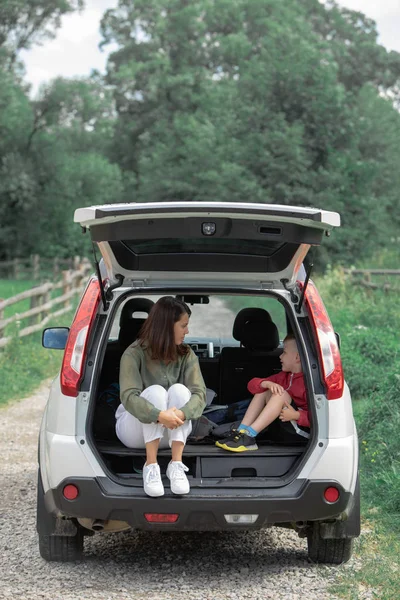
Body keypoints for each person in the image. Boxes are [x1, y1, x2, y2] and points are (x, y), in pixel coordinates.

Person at [115, 296, 206, 497]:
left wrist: (181, 413)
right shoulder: (134, 353)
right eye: (183, 326)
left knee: (181, 391)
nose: (187, 331)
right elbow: (129, 397)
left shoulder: (186, 354)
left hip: (173, 432)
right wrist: (158, 415)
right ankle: (151, 465)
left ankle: (176, 464)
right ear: (166, 326)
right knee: (156, 392)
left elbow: (200, 394)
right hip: (134, 433)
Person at [216, 333, 310, 452]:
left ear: (297, 358)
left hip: (299, 432)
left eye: (284, 352)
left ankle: (249, 436)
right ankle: (241, 432)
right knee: (264, 389)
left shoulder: (308, 383)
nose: (280, 356)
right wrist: (266, 384)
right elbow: (252, 385)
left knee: (280, 395)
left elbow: (318, 417)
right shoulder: (283, 377)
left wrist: (296, 415)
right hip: (280, 428)